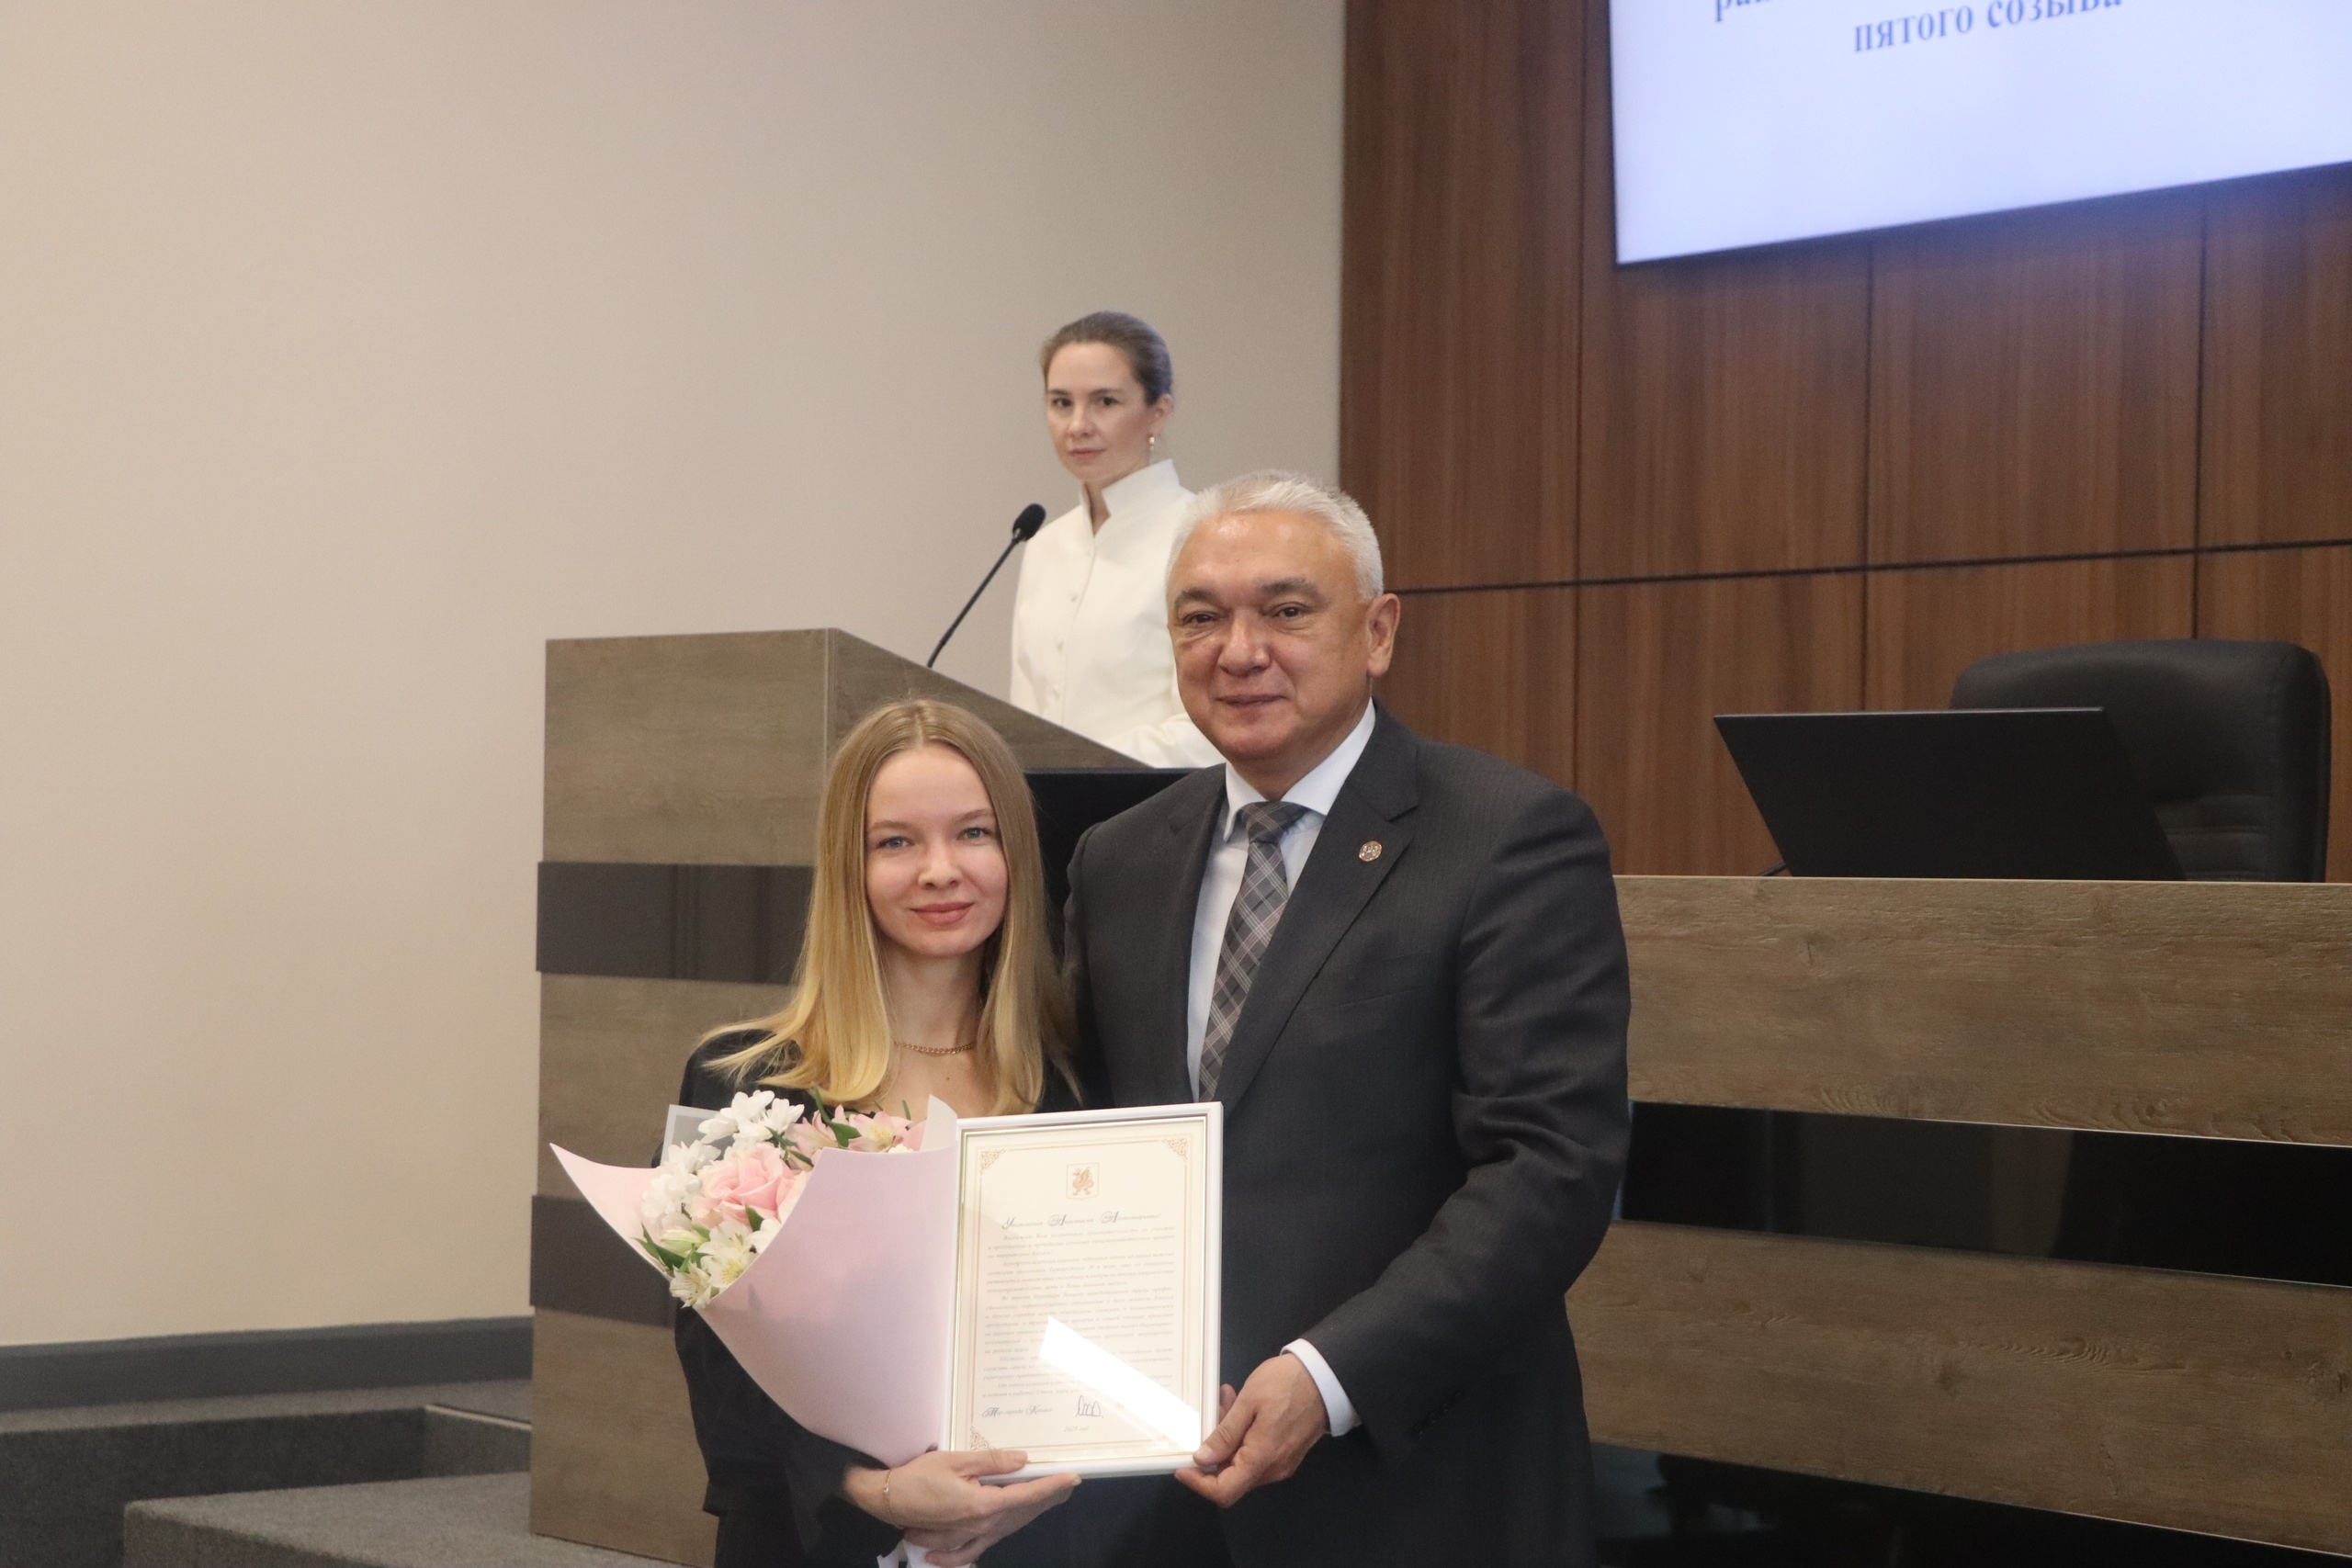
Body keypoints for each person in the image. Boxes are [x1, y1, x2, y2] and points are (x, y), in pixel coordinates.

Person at [1060, 473, 1633, 1566]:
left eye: (1285, 610)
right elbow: (1090, 1138)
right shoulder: (1117, 859)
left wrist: (1329, 1377)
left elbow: (1550, 1167)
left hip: (1420, 1485)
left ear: (1376, 633)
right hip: (1166, 1496)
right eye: (1200, 618)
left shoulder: (1508, 837)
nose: (1239, 651)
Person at [673, 698, 1084, 1568]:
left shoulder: (1078, 1088)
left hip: (1033, 1536)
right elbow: (722, 1386)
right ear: (848, 866)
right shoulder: (743, 1088)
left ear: (1016, 852)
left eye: (973, 833)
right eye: (895, 841)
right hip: (817, 1542)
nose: (940, 869)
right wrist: (877, 1492)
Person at [1008, 311, 1221, 768]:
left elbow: (1210, 725)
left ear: (1158, 413)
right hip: (1048, 802)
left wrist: (1078, 766)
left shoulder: (1202, 536)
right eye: (1061, 403)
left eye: (1104, 402)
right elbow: (1026, 716)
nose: (1077, 425)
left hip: (1160, 799)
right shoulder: (1044, 544)